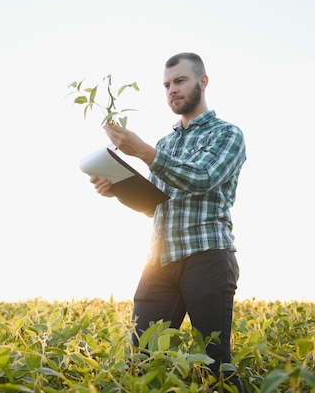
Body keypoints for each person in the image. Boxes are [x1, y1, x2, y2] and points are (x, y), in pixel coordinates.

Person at [90, 52, 246, 391]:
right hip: (159, 261)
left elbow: (203, 177)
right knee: (143, 358)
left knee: (214, 362)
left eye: (179, 81)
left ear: (202, 82)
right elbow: (156, 206)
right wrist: (117, 189)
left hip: (207, 255)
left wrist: (144, 152)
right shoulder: (164, 143)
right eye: (166, 85)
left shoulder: (227, 134)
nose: (172, 90)